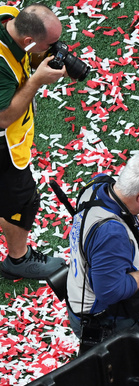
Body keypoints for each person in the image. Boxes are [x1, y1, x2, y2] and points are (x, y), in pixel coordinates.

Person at [65, 153, 139, 349]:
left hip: (81, 291)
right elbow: (110, 292)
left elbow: (114, 208)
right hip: (105, 320)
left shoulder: (97, 186)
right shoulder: (112, 234)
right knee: (135, 361)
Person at [0, 4, 68, 281]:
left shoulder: (8, 13)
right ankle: (18, 260)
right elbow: (3, 119)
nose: (56, 48)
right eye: (50, 45)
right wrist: (37, 80)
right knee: (22, 200)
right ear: (28, 41)